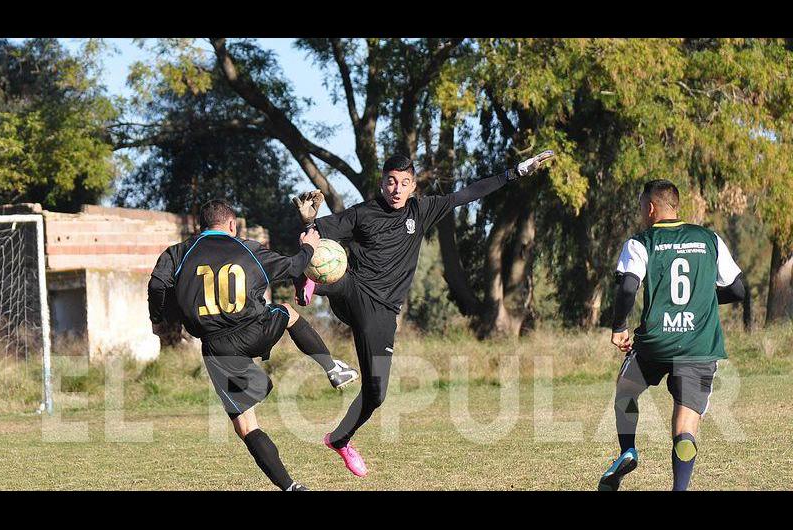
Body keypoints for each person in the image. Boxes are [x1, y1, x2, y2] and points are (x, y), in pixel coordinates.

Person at [291, 151, 554, 477]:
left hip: (383, 314)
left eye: (404, 183)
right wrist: (308, 222)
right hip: (354, 293)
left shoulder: (422, 210)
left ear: (413, 186)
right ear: (382, 183)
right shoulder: (362, 214)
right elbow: (315, 234)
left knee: (376, 395)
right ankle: (311, 282)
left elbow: (467, 194)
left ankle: (340, 439)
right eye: (391, 182)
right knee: (335, 270)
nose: (396, 189)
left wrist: (514, 172)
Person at [147, 199, 359, 491]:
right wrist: (309, 243)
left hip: (217, 348)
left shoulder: (178, 253)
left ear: (201, 226)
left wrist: (159, 319)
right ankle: (331, 366)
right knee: (286, 313)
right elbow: (295, 265)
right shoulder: (247, 248)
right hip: (254, 329)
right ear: (232, 225)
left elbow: (158, 285)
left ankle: (290, 487)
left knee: (246, 426)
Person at [598, 179, 745, 491]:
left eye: (641, 208)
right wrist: (701, 297)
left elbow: (628, 286)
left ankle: (628, 450)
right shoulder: (709, 238)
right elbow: (737, 289)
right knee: (685, 427)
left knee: (626, 390)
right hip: (698, 344)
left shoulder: (642, 241)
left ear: (650, 208)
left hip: (655, 341)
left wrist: (618, 327)